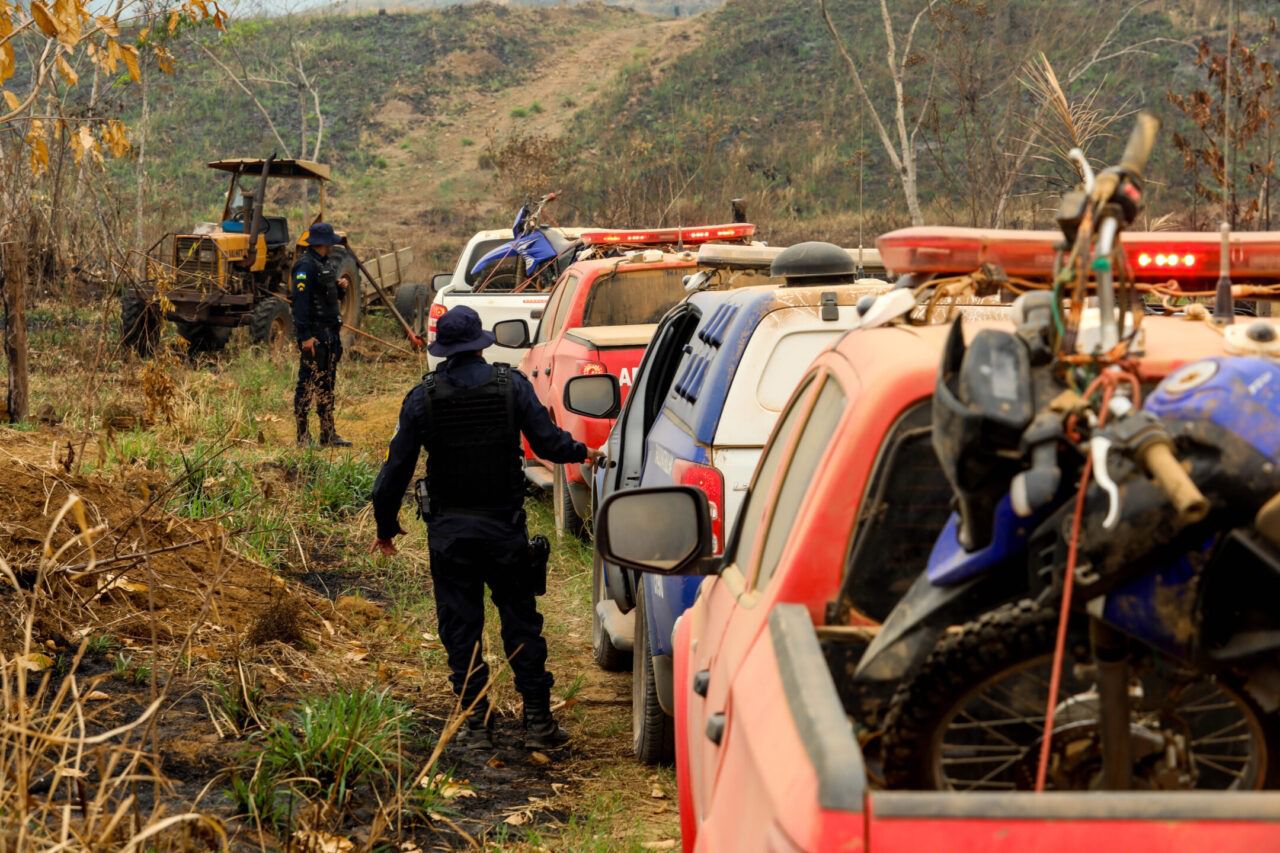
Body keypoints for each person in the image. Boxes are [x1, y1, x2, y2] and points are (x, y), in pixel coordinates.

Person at [369, 306, 599, 750]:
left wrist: (386, 526)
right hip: (503, 530)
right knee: (521, 622)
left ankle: (476, 725)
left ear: (443, 350)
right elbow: (548, 443)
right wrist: (583, 451)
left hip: (450, 536)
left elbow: (395, 470)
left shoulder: (422, 398)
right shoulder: (511, 385)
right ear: (480, 344)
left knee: (461, 628)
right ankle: (539, 723)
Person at [292, 222, 351, 447]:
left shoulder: (324, 264)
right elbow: (300, 305)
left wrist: (340, 289)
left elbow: (327, 298)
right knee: (307, 385)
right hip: (315, 336)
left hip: (330, 335)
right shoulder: (305, 266)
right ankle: (303, 436)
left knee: (327, 384)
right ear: (324, 243)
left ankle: (328, 434)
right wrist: (305, 337)